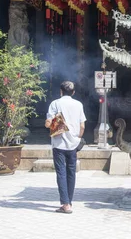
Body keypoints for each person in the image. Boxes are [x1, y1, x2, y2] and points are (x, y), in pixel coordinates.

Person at [45, 81, 86, 214]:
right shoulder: (78, 104)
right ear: (73, 92)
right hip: (73, 144)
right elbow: (82, 126)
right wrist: (78, 138)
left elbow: (48, 123)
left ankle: (66, 204)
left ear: (60, 91)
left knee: (61, 173)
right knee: (71, 172)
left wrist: (50, 123)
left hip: (59, 143)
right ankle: (69, 201)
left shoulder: (55, 104)